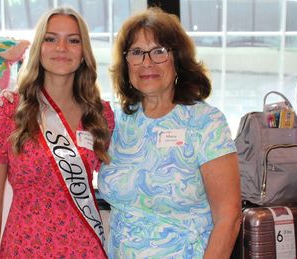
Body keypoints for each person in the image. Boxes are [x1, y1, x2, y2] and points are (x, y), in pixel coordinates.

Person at [97, 7, 241, 258]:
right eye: (137, 52)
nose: (147, 62)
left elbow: (229, 218)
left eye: (159, 51)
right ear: (126, 62)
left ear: (178, 60)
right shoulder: (116, 121)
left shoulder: (205, 123)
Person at [0, 6, 114, 258]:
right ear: (39, 48)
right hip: (24, 247)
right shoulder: (7, 112)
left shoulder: (100, 115)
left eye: (73, 40)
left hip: (84, 250)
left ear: (84, 53)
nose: (61, 48)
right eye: (51, 39)